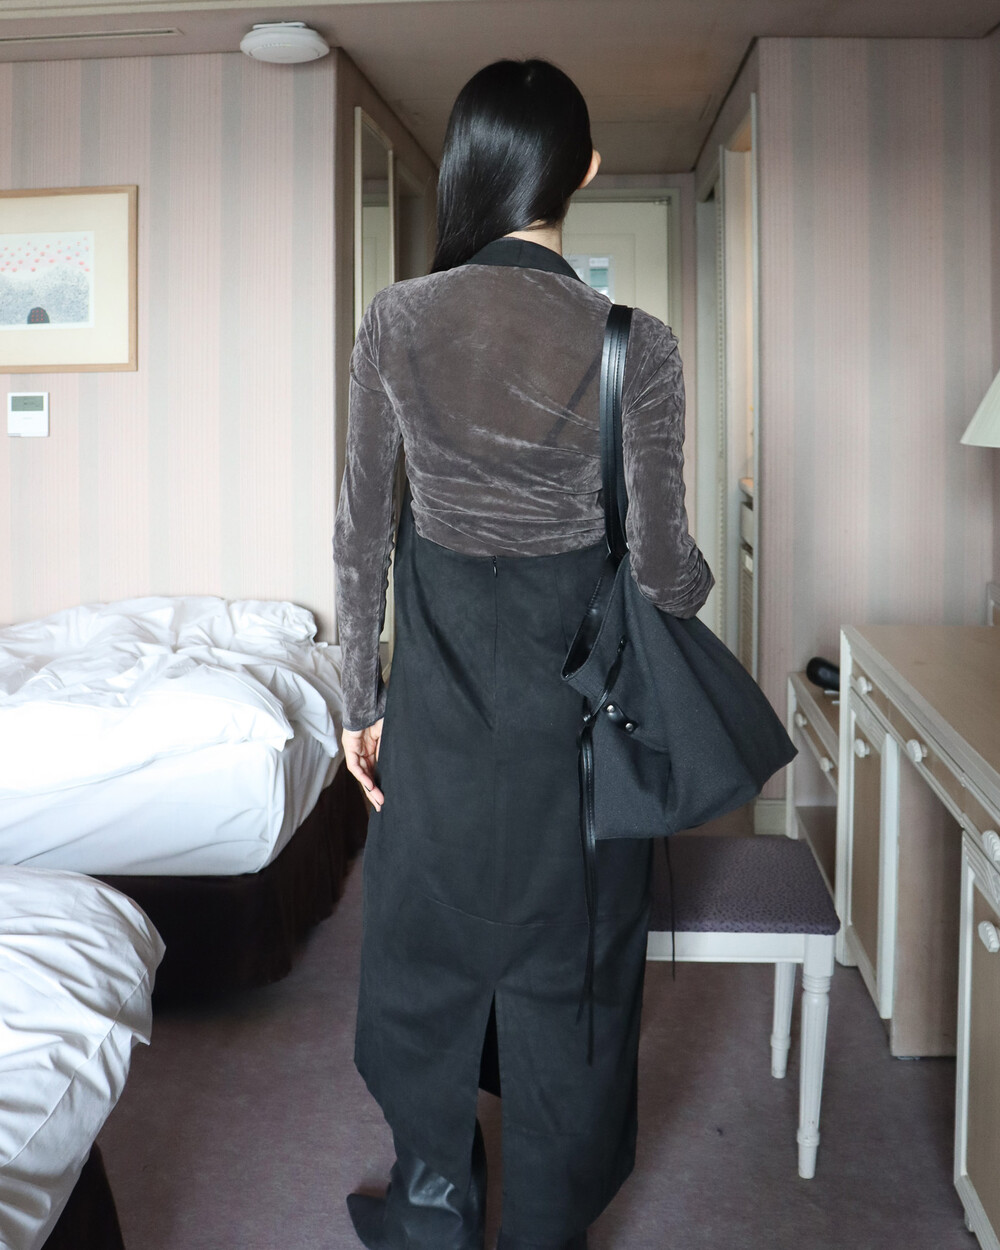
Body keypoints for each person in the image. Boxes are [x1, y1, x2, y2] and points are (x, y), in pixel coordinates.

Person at [333, 57, 714, 1250]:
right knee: (569, 982)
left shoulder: (395, 320)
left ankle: (433, 1207)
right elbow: (665, 575)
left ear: (470, 168)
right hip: (577, 747)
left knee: (424, 967)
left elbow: (359, 536)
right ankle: (547, 1226)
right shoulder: (634, 346)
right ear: (582, 170)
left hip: (438, 725)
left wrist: (355, 702)